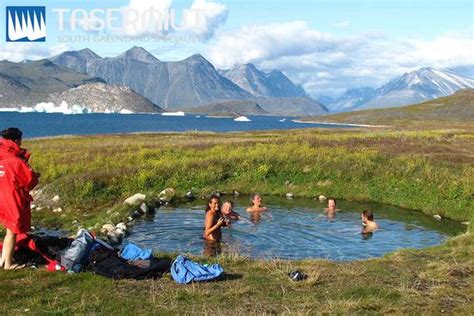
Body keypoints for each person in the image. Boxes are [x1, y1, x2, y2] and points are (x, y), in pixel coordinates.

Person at [0, 128, 39, 269]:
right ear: (16, 140)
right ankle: (8, 264)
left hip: (2, 196)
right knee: (12, 231)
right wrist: (35, 176)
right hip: (12, 198)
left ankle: (3, 260)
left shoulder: (2, 157)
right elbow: (29, 181)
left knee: (8, 229)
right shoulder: (15, 161)